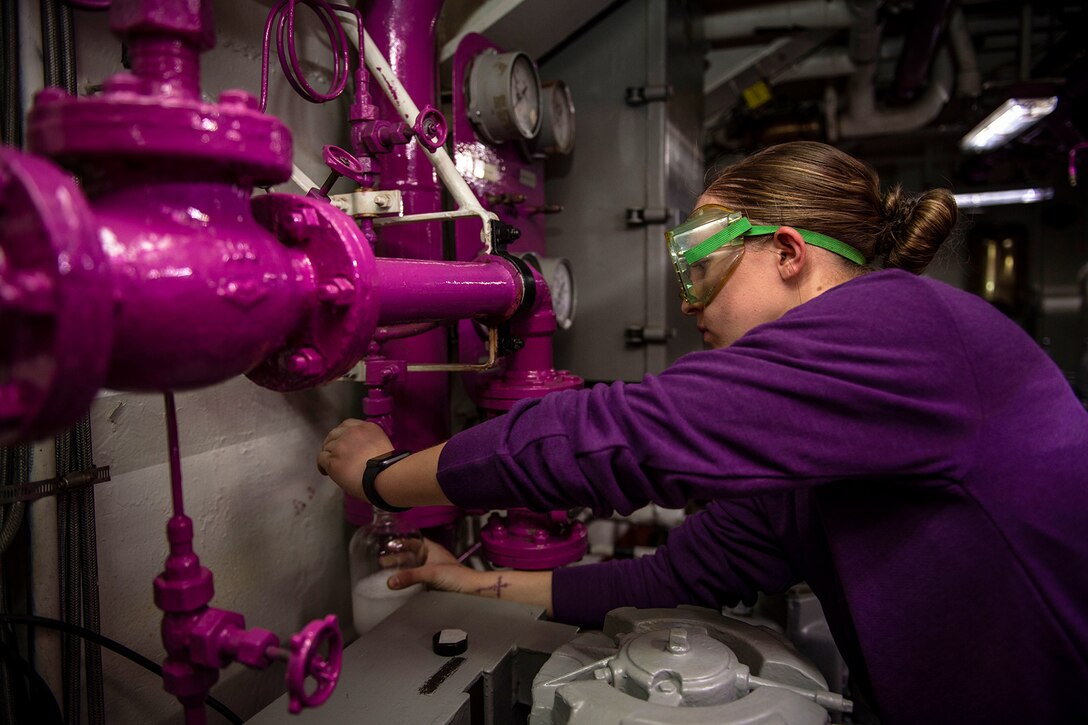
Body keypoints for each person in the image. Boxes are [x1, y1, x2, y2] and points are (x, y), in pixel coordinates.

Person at [317, 141, 1088, 723]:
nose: (690, 304)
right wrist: (472, 584)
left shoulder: (905, 327)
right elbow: (672, 579)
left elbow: (623, 435)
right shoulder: (831, 434)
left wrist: (386, 475)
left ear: (786, 251)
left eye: (699, 268)